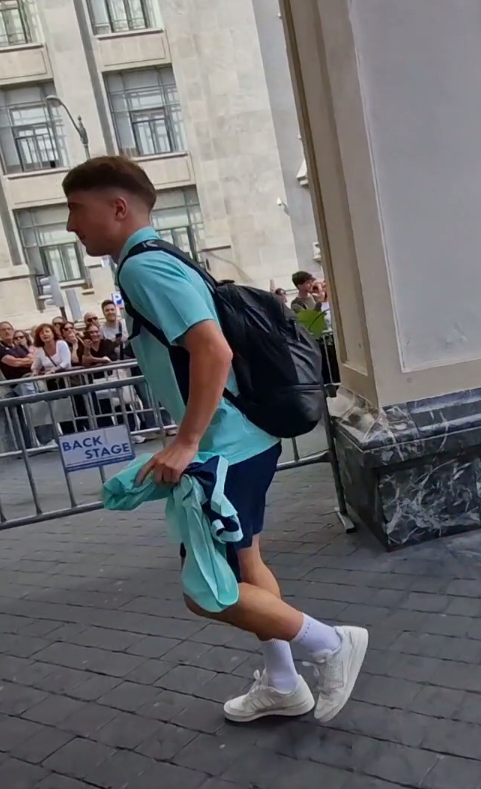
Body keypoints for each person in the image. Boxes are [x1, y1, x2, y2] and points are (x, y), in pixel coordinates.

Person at [62, 155, 368, 724]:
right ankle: (284, 683)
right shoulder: (164, 259)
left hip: (224, 451)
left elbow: (212, 350)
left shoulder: (142, 270)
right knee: (247, 565)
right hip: (243, 441)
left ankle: (329, 645)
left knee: (207, 590)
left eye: (76, 209)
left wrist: (186, 442)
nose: (70, 224)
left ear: (118, 207)